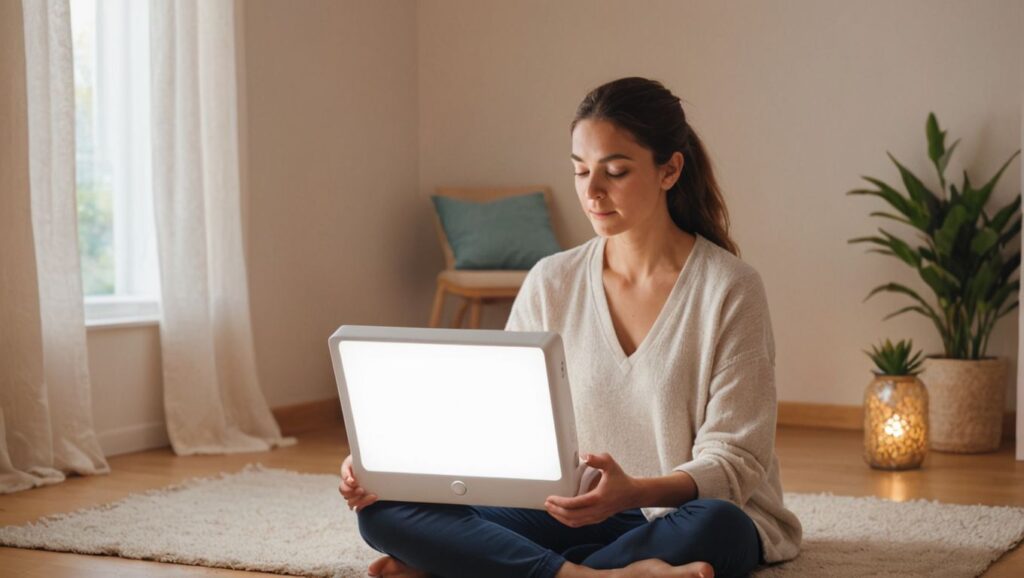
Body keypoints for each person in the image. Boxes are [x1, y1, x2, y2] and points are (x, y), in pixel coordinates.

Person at [339, 76, 802, 578]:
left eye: (616, 171)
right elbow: (495, 414)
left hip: (674, 512)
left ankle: (478, 567)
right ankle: (583, 575)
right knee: (384, 510)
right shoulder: (551, 280)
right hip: (565, 510)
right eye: (580, 172)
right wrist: (389, 464)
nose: (593, 192)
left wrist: (634, 491)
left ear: (670, 170)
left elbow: (736, 460)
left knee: (720, 527)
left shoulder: (730, 288)